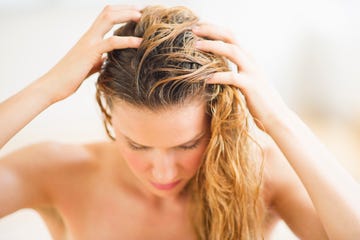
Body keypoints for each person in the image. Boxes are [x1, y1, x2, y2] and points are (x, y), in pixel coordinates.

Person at [0, 4, 359, 240]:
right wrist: (46, 89)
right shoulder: (60, 172)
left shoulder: (260, 174)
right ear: (109, 114)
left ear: (215, 121)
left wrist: (281, 119)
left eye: (187, 144)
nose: (161, 172)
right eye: (137, 145)